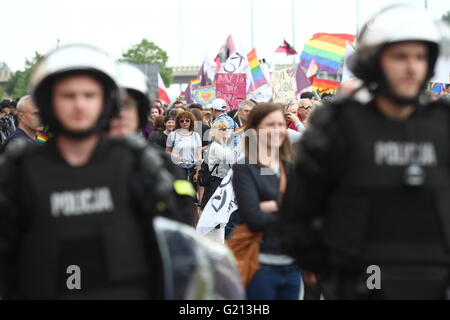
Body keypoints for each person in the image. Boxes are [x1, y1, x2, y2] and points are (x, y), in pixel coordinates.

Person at [0, 44, 244, 299]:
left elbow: (172, 244)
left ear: (105, 102)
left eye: (89, 95)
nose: (79, 105)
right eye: (68, 96)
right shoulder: (21, 168)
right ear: (50, 101)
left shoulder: (137, 164)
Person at [277, 4, 450, 299]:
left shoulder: (443, 122)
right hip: (363, 280)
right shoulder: (338, 125)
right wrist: (327, 265)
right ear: (374, 61)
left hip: (436, 279)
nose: (412, 68)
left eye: (420, 57)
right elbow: (299, 211)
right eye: (400, 57)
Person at [232, 103, 302, 300]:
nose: (277, 130)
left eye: (281, 124)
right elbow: (253, 218)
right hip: (260, 266)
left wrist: (272, 206)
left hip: (292, 265)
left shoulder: (290, 167)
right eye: (270, 125)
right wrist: (287, 207)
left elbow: (305, 212)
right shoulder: (245, 167)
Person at [165, 111, 202, 183]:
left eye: (187, 120)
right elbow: (167, 151)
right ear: (178, 123)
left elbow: (198, 154)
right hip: (178, 168)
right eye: (182, 121)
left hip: (193, 168)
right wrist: (173, 155)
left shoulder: (196, 135)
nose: (184, 122)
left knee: (193, 192)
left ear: (191, 121)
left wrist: (198, 170)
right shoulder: (173, 135)